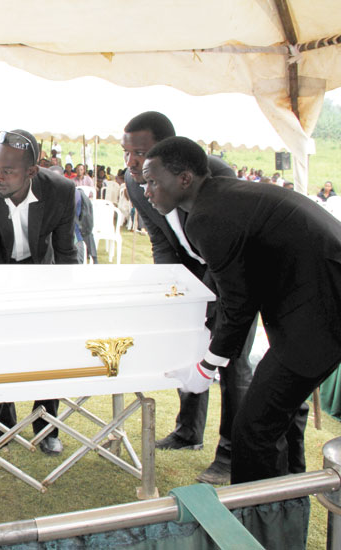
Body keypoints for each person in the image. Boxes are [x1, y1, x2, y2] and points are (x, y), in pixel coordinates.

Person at [144, 136, 341, 484]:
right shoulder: (222, 194)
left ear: (184, 179)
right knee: (274, 414)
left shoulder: (205, 217)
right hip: (316, 303)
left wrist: (208, 366)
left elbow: (238, 303)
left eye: (153, 181)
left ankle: (260, 520)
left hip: (322, 312)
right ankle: (286, 500)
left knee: (254, 425)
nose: (147, 191)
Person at [122, 111, 255, 484]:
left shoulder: (216, 175)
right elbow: (160, 239)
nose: (132, 163)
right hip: (192, 271)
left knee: (232, 362)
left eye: (140, 152)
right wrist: (173, 288)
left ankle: (230, 454)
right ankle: (188, 432)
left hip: (237, 273)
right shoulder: (136, 183)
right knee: (188, 348)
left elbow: (229, 250)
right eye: (126, 152)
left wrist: (210, 296)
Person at [0, 129, 78, 455]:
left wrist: (65, 297)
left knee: (47, 349)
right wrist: (5, 301)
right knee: (2, 347)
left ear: (32, 171)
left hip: (43, 271)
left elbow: (66, 250)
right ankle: (1, 423)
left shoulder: (61, 191)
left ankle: (46, 426)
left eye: (8, 171)